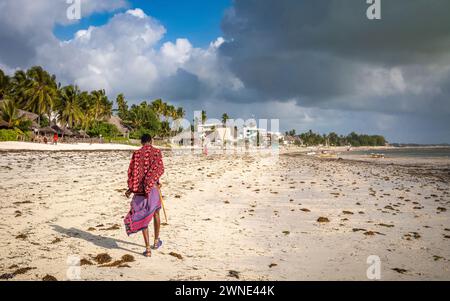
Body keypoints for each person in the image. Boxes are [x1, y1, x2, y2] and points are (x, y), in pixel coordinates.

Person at [124, 134, 164, 257]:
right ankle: (156, 241)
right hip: (153, 189)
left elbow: (132, 173)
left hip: (140, 191)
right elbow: (159, 169)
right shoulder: (157, 152)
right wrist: (154, 181)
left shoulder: (136, 154)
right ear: (151, 141)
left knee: (143, 215)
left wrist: (131, 189)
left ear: (141, 142)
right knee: (156, 213)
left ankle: (147, 249)